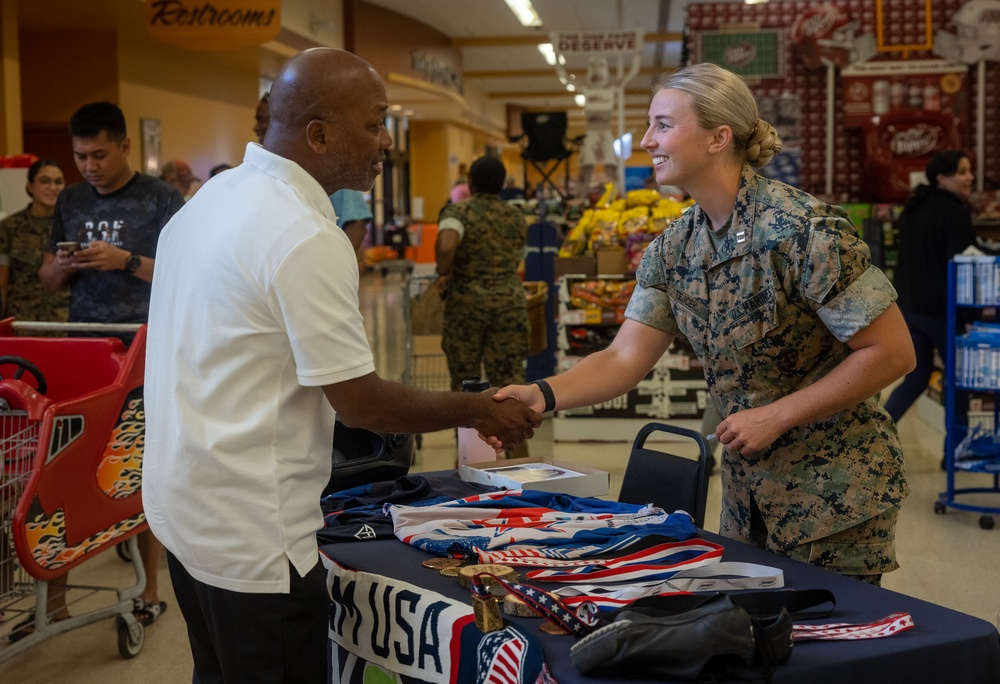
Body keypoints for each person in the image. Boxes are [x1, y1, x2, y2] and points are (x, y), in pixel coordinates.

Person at [142, 48, 539, 684]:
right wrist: (479, 407)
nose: (385, 141)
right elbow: (362, 404)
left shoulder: (212, 199)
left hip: (183, 508)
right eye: (375, 123)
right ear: (318, 134)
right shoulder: (302, 233)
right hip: (253, 532)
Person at [493, 62, 916, 586]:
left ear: (719, 137)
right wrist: (540, 394)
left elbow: (892, 352)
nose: (646, 140)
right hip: (747, 497)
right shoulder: (674, 247)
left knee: (827, 654)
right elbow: (624, 357)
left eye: (663, 125)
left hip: (835, 494)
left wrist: (777, 415)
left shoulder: (803, 233)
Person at [36, 101, 184, 632]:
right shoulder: (71, 200)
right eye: (80, 156)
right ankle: (53, 603)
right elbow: (48, 278)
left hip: (143, 347)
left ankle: (149, 586)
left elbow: (184, 270)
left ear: (124, 146)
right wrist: (65, 264)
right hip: (82, 344)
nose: (90, 166)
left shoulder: (161, 198)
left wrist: (123, 260)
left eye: (100, 153)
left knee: (139, 466)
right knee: (62, 468)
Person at [883, 150, 977, 427]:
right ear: (942, 178)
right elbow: (964, 263)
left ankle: (881, 432)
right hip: (941, 311)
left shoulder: (915, 207)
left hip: (909, 308)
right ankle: (955, 452)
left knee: (916, 376)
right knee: (958, 378)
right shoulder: (953, 213)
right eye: (962, 172)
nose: (970, 177)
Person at [435, 155, 529, 397]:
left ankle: (469, 435)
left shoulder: (458, 211)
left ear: (470, 181)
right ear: (501, 184)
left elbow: (446, 246)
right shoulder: (516, 216)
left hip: (467, 307)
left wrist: (444, 272)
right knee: (509, 382)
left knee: (465, 382)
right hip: (509, 305)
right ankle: (511, 435)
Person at [257, 90, 370, 252]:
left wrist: (335, 265)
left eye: (261, 119)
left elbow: (357, 224)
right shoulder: (264, 171)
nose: (256, 127)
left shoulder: (325, 167)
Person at [0, 159, 68, 321]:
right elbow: (2, 283)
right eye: (44, 181)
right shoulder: (9, 227)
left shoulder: (72, 225)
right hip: (23, 321)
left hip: (65, 322)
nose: (52, 188)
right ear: (30, 186)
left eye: (58, 182)